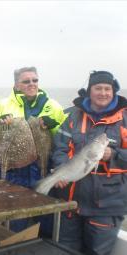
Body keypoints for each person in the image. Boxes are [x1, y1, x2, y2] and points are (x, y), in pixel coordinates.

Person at [51, 71, 127, 255]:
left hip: (106, 207)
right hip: (70, 202)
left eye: (107, 89)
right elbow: (60, 148)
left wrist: (114, 156)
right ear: (89, 91)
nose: (103, 93)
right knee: (64, 250)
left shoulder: (124, 119)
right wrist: (61, 171)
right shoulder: (73, 117)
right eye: (98, 88)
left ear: (114, 91)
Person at [0, 66, 66, 232]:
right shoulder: (3, 105)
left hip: (43, 167)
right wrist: (0, 126)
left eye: (35, 80)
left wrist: (54, 125)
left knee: (46, 218)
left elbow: (64, 138)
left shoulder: (53, 105)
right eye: (26, 81)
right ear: (16, 85)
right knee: (15, 219)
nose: (32, 84)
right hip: (14, 169)